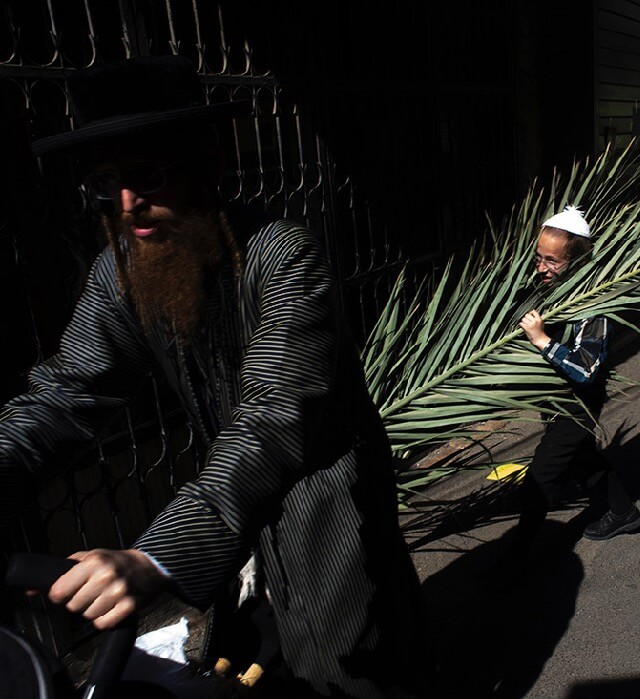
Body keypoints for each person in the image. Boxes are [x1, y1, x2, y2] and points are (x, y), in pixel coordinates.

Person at [0, 56, 437, 698]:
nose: (128, 204)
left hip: (324, 503)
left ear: (208, 166)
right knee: (255, 655)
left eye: (148, 176)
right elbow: (65, 394)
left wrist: (153, 558)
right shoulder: (122, 272)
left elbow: (272, 419)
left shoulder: (282, 255)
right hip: (232, 517)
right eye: (105, 185)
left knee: (353, 662)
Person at [513, 206, 640, 547]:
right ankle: (625, 513)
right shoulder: (551, 288)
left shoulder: (595, 304)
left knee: (540, 478)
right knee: (585, 460)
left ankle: (513, 560)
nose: (542, 268)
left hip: (578, 404)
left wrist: (542, 340)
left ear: (578, 261)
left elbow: (585, 370)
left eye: (552, 261)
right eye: (538, 257)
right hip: (557, 400)